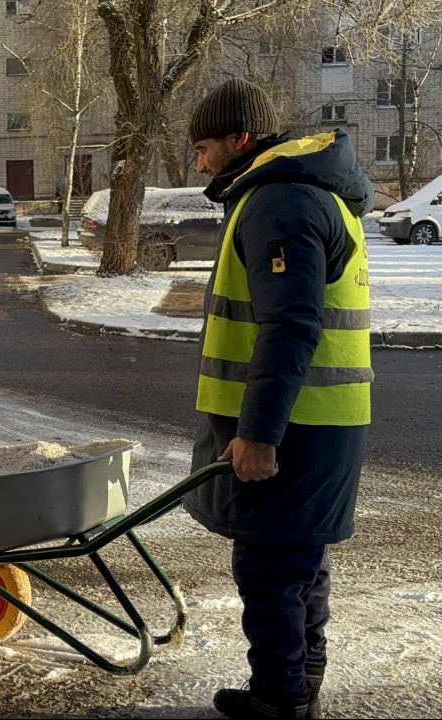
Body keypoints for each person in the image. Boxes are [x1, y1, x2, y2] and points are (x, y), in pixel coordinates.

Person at [183, 78, 374, 720]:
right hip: (319, 423)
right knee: (298, 562)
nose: (201, 163)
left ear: (241, 140)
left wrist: (260, 433)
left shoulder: (280, 201)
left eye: (205, 148)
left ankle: (280, 696)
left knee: (270, 569)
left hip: (294, 430)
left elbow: (290, 324)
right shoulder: (303, 194)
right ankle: (300, 681)